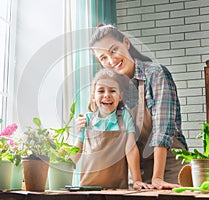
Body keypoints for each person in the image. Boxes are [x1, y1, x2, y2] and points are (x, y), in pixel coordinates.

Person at [79, 24, 188, 189]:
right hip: (136, 174)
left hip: (169, 170)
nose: (111, 60)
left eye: (114, 50)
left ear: (126, 43)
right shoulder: (116, 88)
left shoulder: (156, 74)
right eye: (103, 58)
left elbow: (162, 130)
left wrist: (157, 177)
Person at [72, 68, 149, 190]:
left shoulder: (124, 117)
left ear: (120, 97)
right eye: (101, 91)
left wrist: (137, 180)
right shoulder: (86, 119)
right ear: (93, 97)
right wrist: (61, 165)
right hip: (88, 189)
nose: (107, 95)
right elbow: (76, 150)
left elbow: (131, 149)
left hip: (117, 189)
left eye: (112, 91)